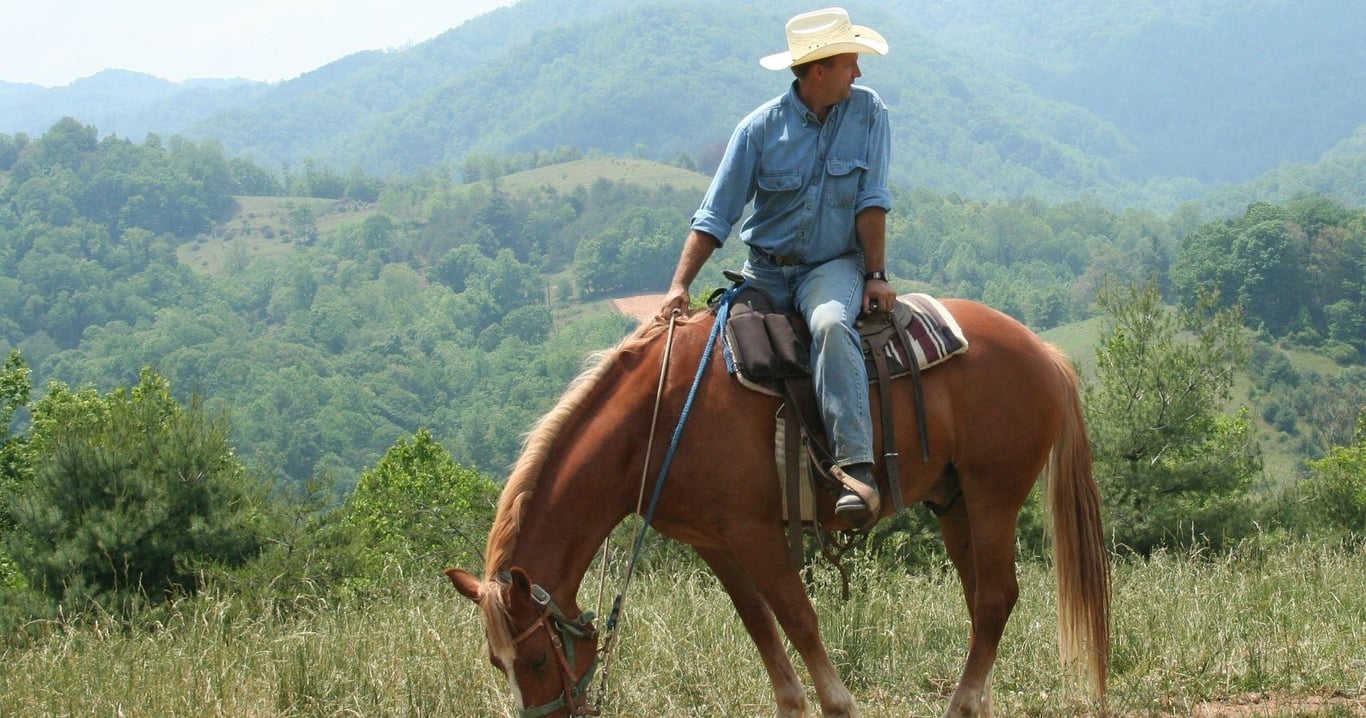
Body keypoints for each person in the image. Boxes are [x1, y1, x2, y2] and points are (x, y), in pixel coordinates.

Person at [658, 7, 894, 521]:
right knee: (711, 351)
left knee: (831, 324)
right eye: (851, 61)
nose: (859, 72)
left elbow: (871, 199)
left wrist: (875, 275)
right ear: (819, 71)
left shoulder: (869, 113)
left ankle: (856, 467)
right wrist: (679, 286)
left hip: (830, 267)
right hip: (764, 271)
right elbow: (716, 215)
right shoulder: (759, 129)